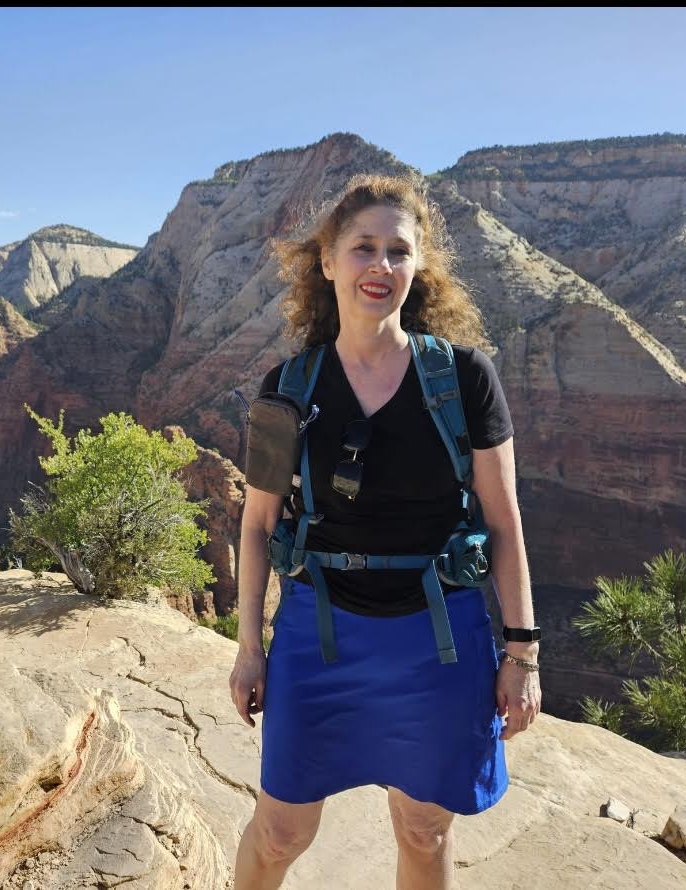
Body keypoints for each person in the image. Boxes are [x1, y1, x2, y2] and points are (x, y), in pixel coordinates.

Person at [229, 172, 541, 890]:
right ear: (327, 261)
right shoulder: (288, 388)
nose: (381, 266)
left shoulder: (464, 379)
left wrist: (522, 654)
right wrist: (249, 650)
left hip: (438, 639)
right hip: (318, 633)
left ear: (418, 264)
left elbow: (504, 521)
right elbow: (257, 523)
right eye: (363, 248)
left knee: (424, 829)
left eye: (398, 251)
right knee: (279, 832)